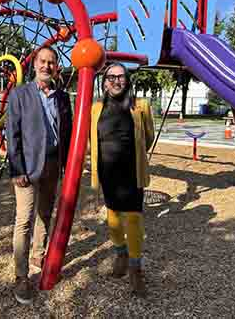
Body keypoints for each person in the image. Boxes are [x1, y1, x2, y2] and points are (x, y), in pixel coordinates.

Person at [5, 46, 73, 305]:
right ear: (34, 65)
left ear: (56, 67)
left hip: (53, 164)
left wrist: (67, 167)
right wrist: (17, 169)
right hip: (28, 166)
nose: (47, 66)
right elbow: (12, 134)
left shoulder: (62, 98)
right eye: (43, 61)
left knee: (45, 214)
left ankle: (38, 255)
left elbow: (67, 132)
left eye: (52, 62)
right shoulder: (20, 95)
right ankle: (21, 277)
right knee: (24, 220)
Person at [90, 62, 155, 297]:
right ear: (104, 82)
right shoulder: (95, 109)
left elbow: (148, 137)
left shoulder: (140, 106)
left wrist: (134, 155)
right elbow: (92, 140)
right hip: (108, 173)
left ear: (127, 81)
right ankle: (120, 253)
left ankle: (136, 268)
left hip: (131, 173)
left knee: (134, 219)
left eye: (121, 77)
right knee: (113, 218)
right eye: (111, 77)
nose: (116, 81)